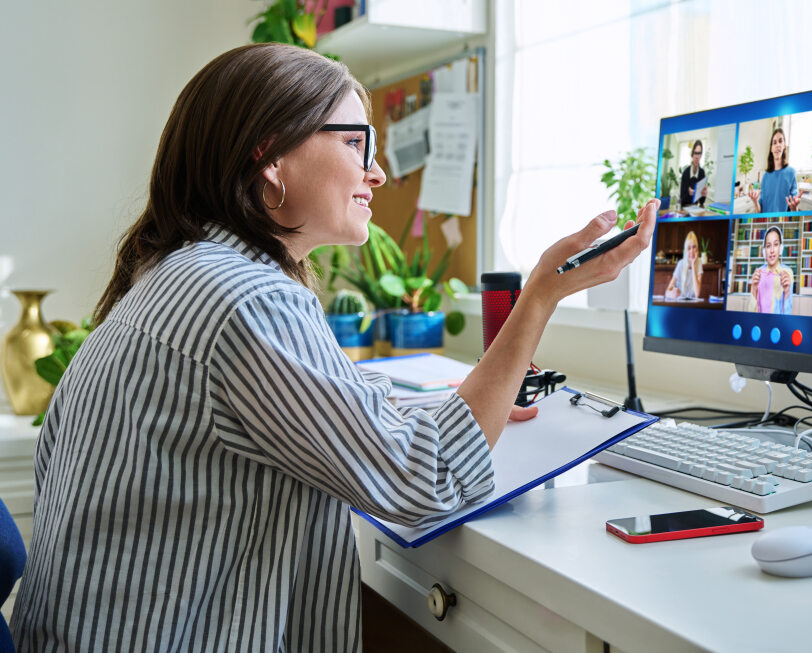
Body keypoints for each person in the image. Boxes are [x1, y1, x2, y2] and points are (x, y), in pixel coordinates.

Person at [11, 43, 658, 651]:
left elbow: (336, 416)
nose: (377, 171)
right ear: (270, 157)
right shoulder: (247, 300)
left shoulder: (176, 274)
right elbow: (425, 478)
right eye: (355, 143)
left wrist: (464, 399)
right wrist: (539, 296)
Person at [747, 128, 801, 213]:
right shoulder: (765, 177)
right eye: (774, 142)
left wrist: (794, 208)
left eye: (780, 141)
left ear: (784, 146)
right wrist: (755, 202)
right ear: (771, 149)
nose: (777, 145)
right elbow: (759, 211)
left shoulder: (791, 173)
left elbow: (794, 209)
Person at [749, 226, 793, 314]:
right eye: (768, 246)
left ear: (781, 248)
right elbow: (751, 313)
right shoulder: (758, 273)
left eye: (776, 245)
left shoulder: (787, 272)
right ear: (764, 250)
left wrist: (787, 291)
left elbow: (787, 314)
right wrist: (754, 289)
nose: (772, 250)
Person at [665, 231, 703, 300]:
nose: (692, 251)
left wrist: (693, 265)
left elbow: (697, 294)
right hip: (680, 303)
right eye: (689, 248)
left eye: (694, 247)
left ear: (697, 249)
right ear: (686, 250)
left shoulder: (699, 262)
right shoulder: (681, 263)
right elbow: (667, 292)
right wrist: (673, 294)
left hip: (692, 305)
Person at [679, 140, 708, 206]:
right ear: (692, 154)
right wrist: (689, 194)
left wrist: (704, 194)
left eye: (699, 153)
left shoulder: (702, 172)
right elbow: (682, 199)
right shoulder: (685, 173)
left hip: (696, 208)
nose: (697, 156)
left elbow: (701, 202)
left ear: (701, 155)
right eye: (695, 153)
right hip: (685, 208)